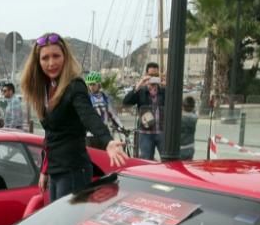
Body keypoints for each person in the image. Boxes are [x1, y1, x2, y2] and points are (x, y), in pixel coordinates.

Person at [21, 32, 127, 201]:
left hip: (73, 169)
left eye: (56, 56)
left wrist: (107, 141)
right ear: (38, 62)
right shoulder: (47, 89)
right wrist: (44, 170)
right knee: (58, 224)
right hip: (56, 170)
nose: (51, 63)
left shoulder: (74, 86)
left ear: (65, 57)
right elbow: (50, 136)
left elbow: (88, 115)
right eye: (45, 58)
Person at [122, 62, 166, 160]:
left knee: (167, 161)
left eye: (155, 75)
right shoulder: (141, 91)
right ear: (146, 75)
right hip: (145, 133)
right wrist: (139, 85)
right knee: (146, 160)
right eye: (151, 75)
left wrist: (168, 86)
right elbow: (126, 102)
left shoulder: (164, 90)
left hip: (162, 132)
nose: (153, 77)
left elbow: (175, 103)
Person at [84, 71, 123, 150]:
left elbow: (113, 115)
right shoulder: (86, 98)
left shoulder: (105, 98)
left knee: (105, 159)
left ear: (99, 84)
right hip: (90, 135)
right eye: (89, 84)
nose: (91, 87)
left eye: (93, 84)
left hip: (104, 134)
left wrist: (122, 127)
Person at [180, 96, 199, 161]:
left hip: (180, 148)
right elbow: (195, 111)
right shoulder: (195, 118)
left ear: (183, 106)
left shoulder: (181, 118)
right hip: (190, 147)